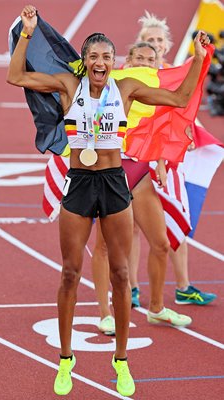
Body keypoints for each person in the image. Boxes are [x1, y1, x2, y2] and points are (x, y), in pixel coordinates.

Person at [7, 5, 209, 397]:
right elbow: (15, 76)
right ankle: (66, 359)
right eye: (93, 56)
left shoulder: (127, 88)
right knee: (69, 272)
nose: (100, 62)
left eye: (106, 57)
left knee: (120, 273)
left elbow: (180, 97)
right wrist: (28, 33)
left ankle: (121, 362)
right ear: (84, 61)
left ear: (113, 62)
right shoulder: (68, 85)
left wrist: (199, 60)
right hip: (80, 182)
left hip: (115, 183)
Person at [92, 42, 192, 338]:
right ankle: (104, 313)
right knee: (105, 246)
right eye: (140, 57)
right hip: (112, 169)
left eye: (152, 59)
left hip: (140, 171)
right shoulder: (117, 85)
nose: (146, 63)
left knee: (161, 244)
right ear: (128, 60)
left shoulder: (154, 93)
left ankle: (157, 308)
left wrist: (161, 161)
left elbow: (172, 114)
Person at [134, 11, 217, 306]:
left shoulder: (174, 73)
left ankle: (184, 286)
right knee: (131, 226)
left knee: (176, 218)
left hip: (168, 158)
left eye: (159, 39)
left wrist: (192, 134)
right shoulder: (132, 73)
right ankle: (132, 288)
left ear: (167, 44)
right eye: (149, 40)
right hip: (138, 157)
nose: (155, 44)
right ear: (139, 44)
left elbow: (185, 109)